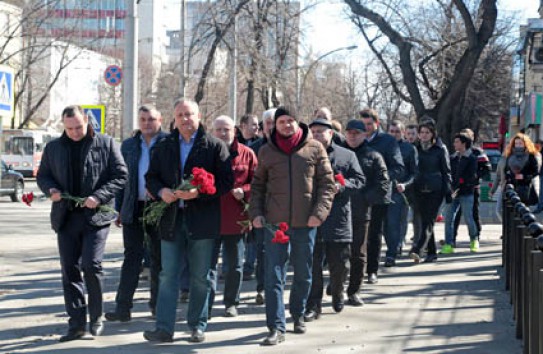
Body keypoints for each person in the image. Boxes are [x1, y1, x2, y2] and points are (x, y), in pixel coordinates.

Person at [143, 99, 233, 343]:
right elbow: (150, 177)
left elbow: (226, 182)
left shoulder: (214, 146)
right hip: (171, 219)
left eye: (189, 114)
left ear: (199, 116)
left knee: (200, 276)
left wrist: (199, 193)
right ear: (174, 118)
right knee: (167, 275)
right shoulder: (164, 145)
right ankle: (164, 328)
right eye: (180, 114)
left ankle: (197, 325)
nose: (185, 119)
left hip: (202, 221)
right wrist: (161, 191)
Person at [37, 105, 128, 342]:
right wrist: (51, 189)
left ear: (87, 120)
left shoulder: (105, 143)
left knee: (91, 265)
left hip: (96, 216)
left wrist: (98, 196)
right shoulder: (54, 147)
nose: (75, 132)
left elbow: (120, 175)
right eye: (70, 129)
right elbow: (43, 175)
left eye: (79, 127)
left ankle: (96, 317)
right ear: (63, 126)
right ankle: (76, 324)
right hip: (66, 217)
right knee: (69, 269)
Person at [250, 106, 335, 346]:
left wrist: (319, 214)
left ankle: (297, 314)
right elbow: (257, 187)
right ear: (274, 125)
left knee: (303, 273)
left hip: (305, 223)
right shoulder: (266, 151)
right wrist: (255, 213)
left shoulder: (315, 148)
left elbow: (327, 185)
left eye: (290, 121)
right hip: (275, 224)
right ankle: (276, 327)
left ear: (298, 123)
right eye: (281, 122)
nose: (286, 125)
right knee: (273, 275)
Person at [105, 105, 167, 322]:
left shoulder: (168, 143)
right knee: (132, 258)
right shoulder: (130, 145)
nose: (147, 123)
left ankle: (158, 307)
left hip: (160, 208)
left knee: (159, 259)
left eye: (151, 119)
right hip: (134, 207)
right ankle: (123, 308)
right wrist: (120, 209)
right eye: (142, 119)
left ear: (160, 119)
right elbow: (121, 179)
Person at [304, 118, 364, 321]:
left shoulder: (347, 155)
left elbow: (359, 180)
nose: (317, 135)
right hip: (311, 218)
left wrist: (343, 185)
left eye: (321, 131)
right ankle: (313, 306)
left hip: (338, 218)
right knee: (312, 266)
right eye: (313, 131)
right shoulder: (303, 155)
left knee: (340, 264)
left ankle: (338, 291)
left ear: (331, 134)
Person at [209, 115, 258, 317]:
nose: (222, 133)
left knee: (235, 266)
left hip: (236, 219)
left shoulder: (247, 154)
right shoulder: (206, 153)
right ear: (213, 132)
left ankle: (231, 303)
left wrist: (245, 191)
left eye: (226, 129)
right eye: (218, 129)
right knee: (208, 267)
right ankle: (207, 304)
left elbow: (259, 183)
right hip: (210, 218)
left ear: (235, 131)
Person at [344, 119, 389, 306]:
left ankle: (354, 290)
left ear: (364, 135)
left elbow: (383, 183)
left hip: (361, 212)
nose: (353, 136)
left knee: (358, 253)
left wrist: (364, 199)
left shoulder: (373, 156)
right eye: (350, 133)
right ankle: (338, 283)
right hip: (337, 211)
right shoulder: (338, 154)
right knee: (337, 254)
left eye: (357, 133)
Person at [359, 108, 404, 283]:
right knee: (357, 233)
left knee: (374, 233)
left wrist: (382, 178)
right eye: (364, 124)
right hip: (358, 193)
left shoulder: (388, 141)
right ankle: (357, 268)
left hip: (379, 194)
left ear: (377, 124)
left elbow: (398, 167)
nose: (367, 127)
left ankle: (372, 270)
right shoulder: (356, 139)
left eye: (370, 124)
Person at [245, 108, 276, 305]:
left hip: (287, 208)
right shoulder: (255, 149)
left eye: (276, 122)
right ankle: (262, 288)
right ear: (263, 127)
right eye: (268, 123)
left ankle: (276, 287)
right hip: (262, 208)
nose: (272, 127)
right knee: (262, 250)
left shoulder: (294, 147)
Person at [409, 120, 451, 263]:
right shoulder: (415, 148)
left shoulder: (440, 149)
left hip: (435, 188)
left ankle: (418, 249)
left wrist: (448, 190)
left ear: (433, 133)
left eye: (427, 132)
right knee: (424, 219)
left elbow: (446, 171)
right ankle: (432, 252)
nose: (424, 135)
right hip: (419, 188)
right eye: (422, 132)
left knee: (429, 221)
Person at [384, 120, 417, 266]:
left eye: (397, 131)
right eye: (392, 131)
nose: (394, 134)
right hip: (382, 190)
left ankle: (392, 253)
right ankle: (393, 245)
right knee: (383, 226)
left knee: (394, 223)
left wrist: (405, 184)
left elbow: (414, 173)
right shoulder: (381, 146)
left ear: (402, 133)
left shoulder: (409, 149)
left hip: (399, 192)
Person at [451, 128, 491, 245]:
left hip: (473, 188)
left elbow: (486, 168)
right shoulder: (456, 154)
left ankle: (475, 237)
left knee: (473, 213)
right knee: (455, 215)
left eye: (467, 136)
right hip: (458, 188)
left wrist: (475, 177)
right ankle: (452, 238)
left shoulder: (477, 152)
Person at [441, 131, 479, 254]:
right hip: (453, 192)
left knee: (468, 217)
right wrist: (450, 187)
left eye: (457, 141)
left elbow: (471, 176)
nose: (454, 144)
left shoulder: (471, 158)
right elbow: (448, 173)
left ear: (464, 143)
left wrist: (460, 185)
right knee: (448, 218)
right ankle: (449, 243)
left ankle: (474, 239)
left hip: (466, 192)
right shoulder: (452, 158)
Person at [503, 133, 540, 206]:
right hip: (511, 187)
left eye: (520, 143)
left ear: (525, 144)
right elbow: (506, 170)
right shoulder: (510, 155)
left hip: (525, 187)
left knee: (523, 210)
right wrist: (510, 176)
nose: (518, 145)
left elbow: (535, 171)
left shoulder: (530, 156)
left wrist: (525, 176)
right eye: (516, 143)